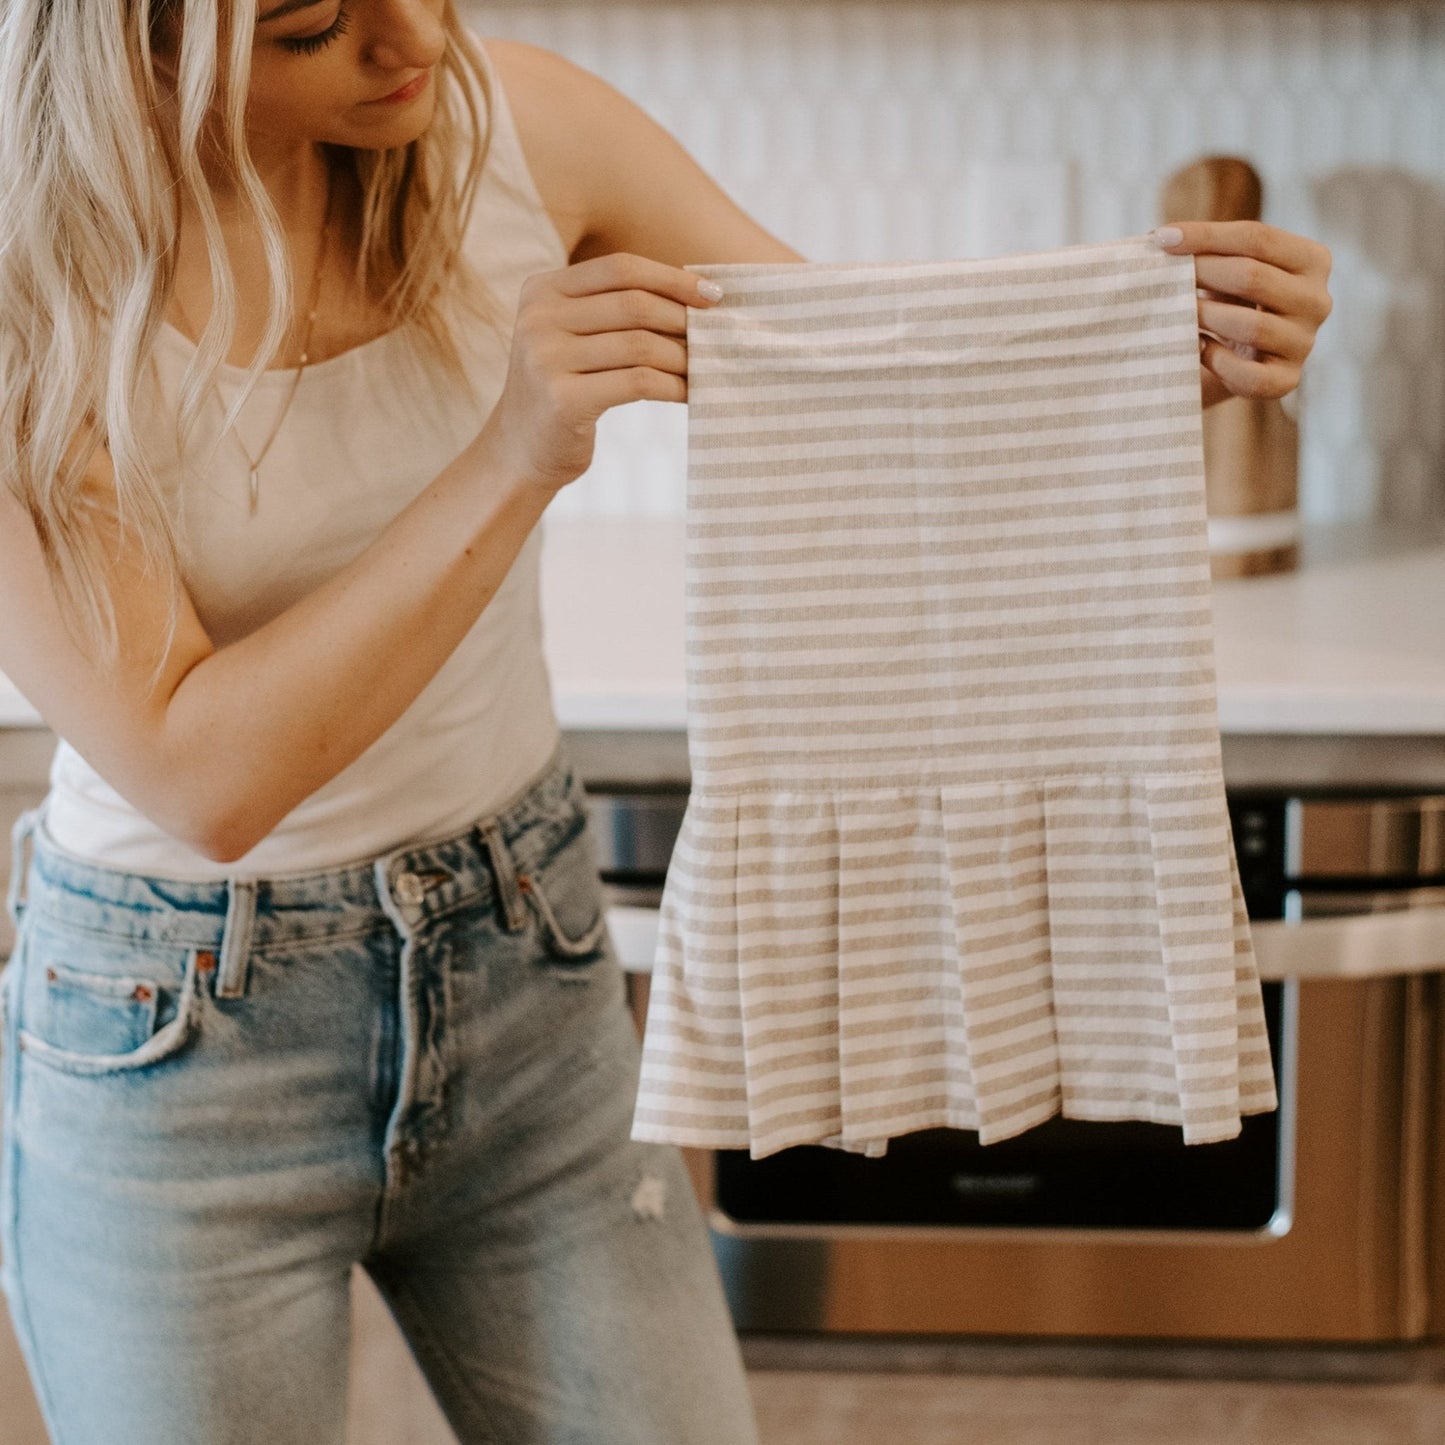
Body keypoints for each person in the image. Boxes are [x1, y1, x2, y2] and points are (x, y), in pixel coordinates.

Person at [0, 0, 1333, 1440]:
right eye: (315, 25)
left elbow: (864, 388)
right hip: (174, 1046)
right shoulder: (30, 293)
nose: (411, 44)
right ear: (144, 45)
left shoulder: (518, 135)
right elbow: (204, 772)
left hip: (522, 973)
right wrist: (516, 449)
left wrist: (1153, 355)